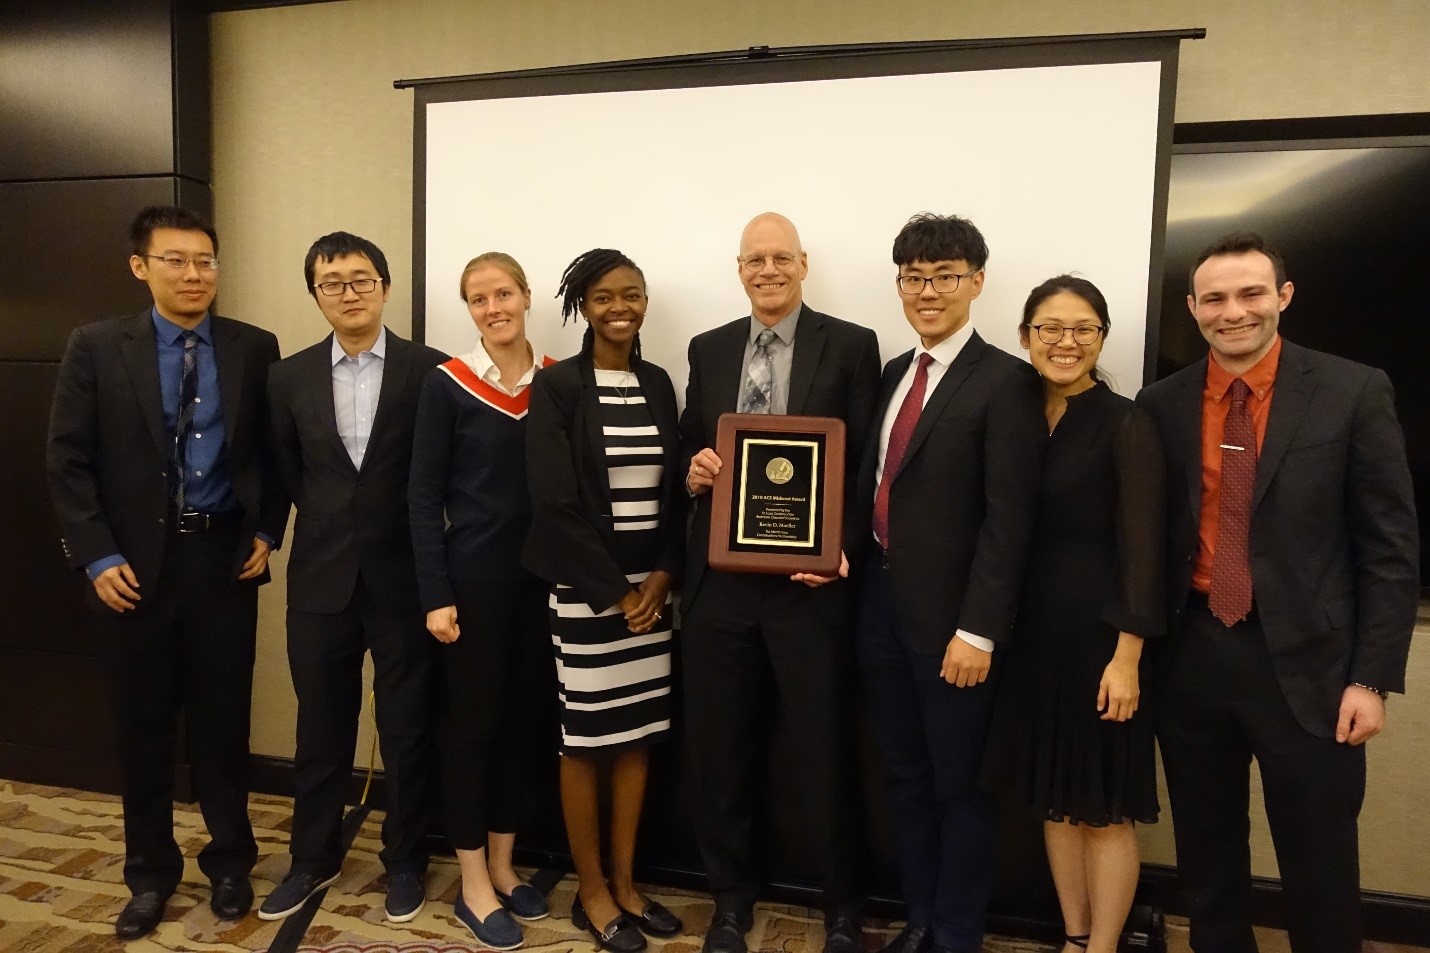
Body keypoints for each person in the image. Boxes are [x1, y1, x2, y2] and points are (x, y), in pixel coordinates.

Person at [1136, 232, 1418, 953]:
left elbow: (1390, 548)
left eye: (1251, 293)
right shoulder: (1161, 403)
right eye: (1216, 298)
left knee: (1320, 861)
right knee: (1207, 857)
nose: (1234, 311)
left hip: (1314, 666)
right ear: (1193, 307)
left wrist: (1371, 678)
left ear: (1283, 296)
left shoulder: (1352, 390)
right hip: (1192, 654)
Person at [46, 205, 288, 940]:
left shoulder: (254, 347)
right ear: (140, 266)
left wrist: (268, 531)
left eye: (205, 261)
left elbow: (275, 454)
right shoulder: (96, 346)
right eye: (176, 260)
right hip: (131, 569)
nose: (194, 275)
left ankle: (230, 862)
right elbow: (67, 460)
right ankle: (149, 873)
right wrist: (96, 554)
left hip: (222, 562)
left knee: (222, 721)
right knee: (142, 726)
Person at [681, 213, 881, 953]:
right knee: (720, 754)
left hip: (809, 587)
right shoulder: (708, 348)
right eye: (754, 259)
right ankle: (730, 901)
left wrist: (840, 551)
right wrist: (695, 471)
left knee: (823, 752)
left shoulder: (851, 344)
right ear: (739, 269)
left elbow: (865, 465)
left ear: (803, 264)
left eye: (780, 258)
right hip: (720, 589)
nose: (768, 270)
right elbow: (690, 447)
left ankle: (842, 908)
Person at [848, 213, 1044, 953]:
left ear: (977, 282)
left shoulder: (1006, 381)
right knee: (904, 775)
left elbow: (1009, 521)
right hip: (879, 609)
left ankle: (957, 934)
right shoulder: (895, 373)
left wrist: (978, 630)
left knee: (960, 787)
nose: (927, 291)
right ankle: (921, 918)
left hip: (957, 626)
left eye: (944, 276)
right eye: (914, 278)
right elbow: (877, 483)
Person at [261, 232, 446, 924]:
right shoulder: (287, 378)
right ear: (316, 295)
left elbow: (441, 475)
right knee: (321, 729)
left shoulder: (432, 370)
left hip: (406, 581)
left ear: (386, 287)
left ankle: (406, 861)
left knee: (407, 730)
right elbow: (287, 472)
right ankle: (312, 859)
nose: (349, 292)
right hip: (321, 578)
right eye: (332, 282)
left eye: (362, 279)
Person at [980, 276, 1164, 953]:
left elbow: (1143, 551)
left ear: (1102, 338)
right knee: (1056, 802)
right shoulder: (1015, 413)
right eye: (1050, 327)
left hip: (1100, 643)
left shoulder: (1125, 421)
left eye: (1083, 328)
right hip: (1033, 639)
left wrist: (1127, 657)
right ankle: (1076, 938)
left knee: (1102, 808)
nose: (1066, 341)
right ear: (1025, 336)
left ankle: (1104, 947)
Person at [523, 248, 686, 953]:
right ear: (582, 307)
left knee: (637, 737)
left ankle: (626, 883)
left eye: (633, 294)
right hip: (588, 594)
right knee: (587, 741)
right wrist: (618, 594)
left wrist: (661, 579)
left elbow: (677, 493)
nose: (621, 307)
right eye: (603, 297)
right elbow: (554, 504)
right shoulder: (558, 386)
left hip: (652, 593)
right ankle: (591, 889)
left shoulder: (658, 383)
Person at [408, 251, 558, 950]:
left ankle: (502, 865)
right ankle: (471, 882)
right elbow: (422, 496)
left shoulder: (557, 382)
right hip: (472, 588)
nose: (493, 308)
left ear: (526, 296)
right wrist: (435, 594)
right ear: (469, 309)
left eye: (503, 293)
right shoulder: (447, 385)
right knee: (472, 730)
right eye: (478, 298)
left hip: (540, 586)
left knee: (522, 725)